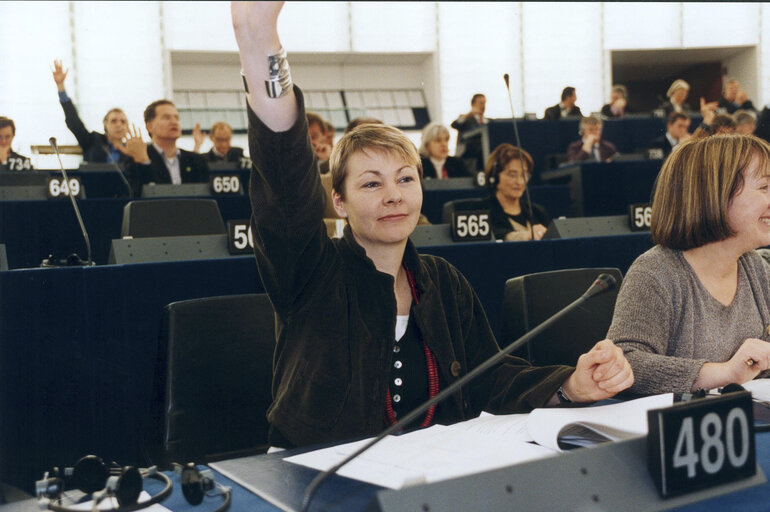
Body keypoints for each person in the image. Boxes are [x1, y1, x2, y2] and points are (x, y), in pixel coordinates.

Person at [232, 1, 633, 449]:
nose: (393, 195)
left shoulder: (444, 282)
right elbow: (284, 174)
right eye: (371, 183)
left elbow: (488, 376)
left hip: (428, 471)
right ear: (339, 202)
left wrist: (570, 386)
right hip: (314, 473)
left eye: (406, 179)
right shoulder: (308, 269)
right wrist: (258, 35)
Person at [607, 134, 770, 396]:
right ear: (715, 194)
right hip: (676, 433)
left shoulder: (758, 269)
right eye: (764, 187)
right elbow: (625, 363)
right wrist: (724, 373)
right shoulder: (656, 271)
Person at [51, 60, 132, 166]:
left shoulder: (133, 149)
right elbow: (74, 122)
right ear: (105, 126)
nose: (119, 125)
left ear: (128, 127)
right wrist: (61, 86)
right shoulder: (93, 141)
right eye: (113, 121)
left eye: (123, 122)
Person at [122, 100, 209, 197]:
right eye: (166, 117)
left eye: (176, 118)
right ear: (150, 127)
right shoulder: (137, 159)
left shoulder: (196, 160)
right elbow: (139, 195)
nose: (174, 122)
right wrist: (144, 163)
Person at [478, 144, 550, 241]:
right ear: (494, 177)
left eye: (524, 175)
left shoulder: (538, 212)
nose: (519, 182)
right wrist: (521, 236)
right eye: (512, 175)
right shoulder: (482, 213)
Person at [451, 93, 487, 171]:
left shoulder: (489, 121)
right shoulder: (466, 119)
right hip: (469, 159)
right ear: (473, 104)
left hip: (485, 157)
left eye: (484, 103)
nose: (483, 106)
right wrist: (469, 114)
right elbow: (455, 124)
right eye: (480, 103)